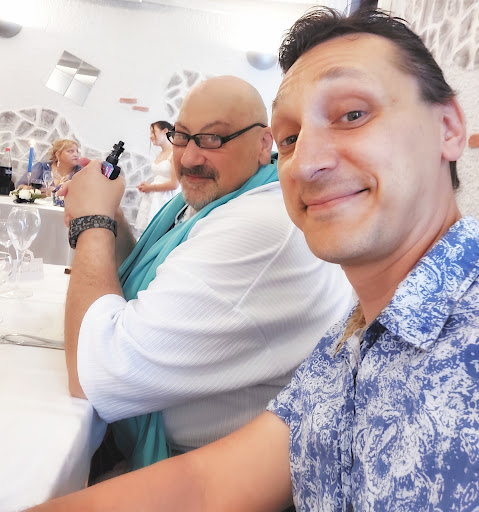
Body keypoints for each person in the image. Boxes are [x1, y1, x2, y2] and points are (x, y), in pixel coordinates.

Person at [28, 6, 479, 512]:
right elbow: (208, 483)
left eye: (353, 114)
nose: (306, 162)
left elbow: (98, 373)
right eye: (292, 138)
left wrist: (92, 223)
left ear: (449, 128)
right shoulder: (352, 340)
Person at [54, 76, 352, 475]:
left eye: (214, 139)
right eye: (182, 136)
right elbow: (145, 277)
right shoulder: (223, 194)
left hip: (197, 475)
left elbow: (92, 375)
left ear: (264, 143)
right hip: (140, 439)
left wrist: (92, 222)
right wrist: (111, 214)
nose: (190, 158)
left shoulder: (262, 223)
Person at [135, 120, 180, 233]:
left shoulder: (175, 153)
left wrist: (150, 187)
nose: (150, 136)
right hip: (155, 197)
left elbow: (174, 184)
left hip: (167, 198)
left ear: (165, 131)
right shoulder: (159, 154)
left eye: (153, 132)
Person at [16, 138, 81, 191]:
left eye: (77, 151)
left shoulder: (80, 172)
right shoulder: (41, 168)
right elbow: (20, 186)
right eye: (70, 151)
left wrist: (54, 192)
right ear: (58, 154)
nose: (76, 155)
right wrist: (32, 190)